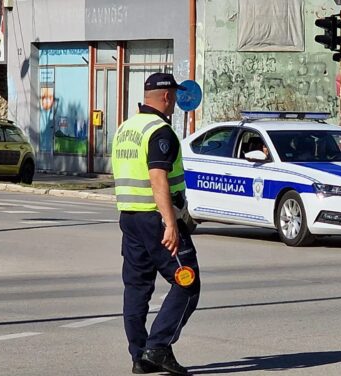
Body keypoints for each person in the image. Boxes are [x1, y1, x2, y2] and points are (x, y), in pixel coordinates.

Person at [112, 72, 200, 376]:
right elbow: (157, 176)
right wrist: (170, 223)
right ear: (166, 97)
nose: (174, 100)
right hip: (155, 217)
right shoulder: (159, 131)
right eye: (173, 95)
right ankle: (158, 346)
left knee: (136, 287)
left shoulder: (126, 128)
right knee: (187, 281)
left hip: (130, 219)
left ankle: (140, 356)